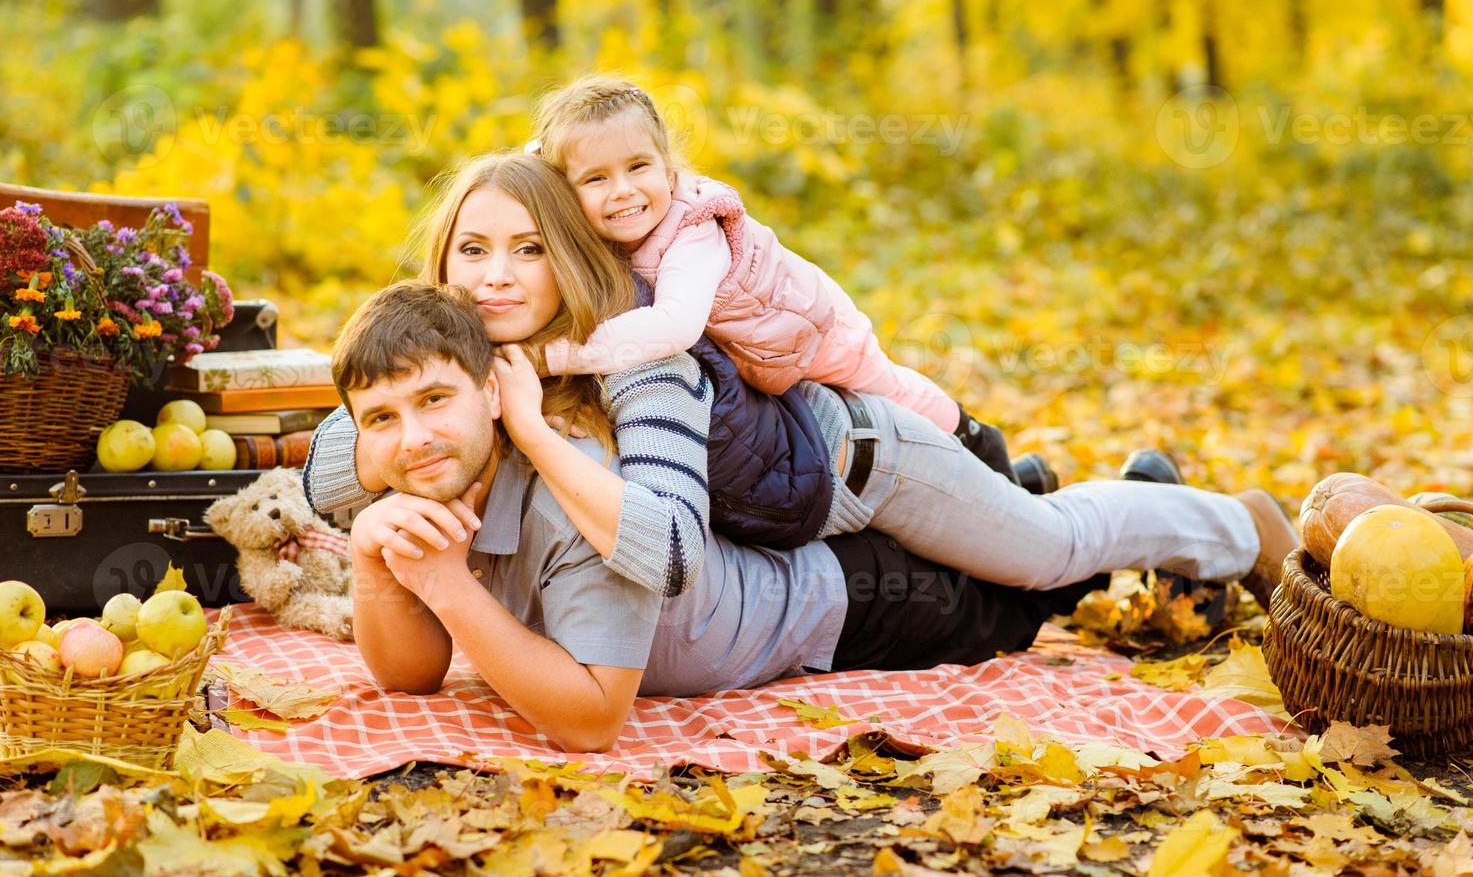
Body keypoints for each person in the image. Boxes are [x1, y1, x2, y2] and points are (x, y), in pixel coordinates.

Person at [336, 281, 1298, 752]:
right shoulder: (419, 494)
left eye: (433, 401)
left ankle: (1230, 525)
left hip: (854, 602)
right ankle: (1083, 490)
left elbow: (591, 722)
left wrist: (452, 592)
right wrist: (382, 568)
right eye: (380, 419)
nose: (410, 437)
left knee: (1032, 583)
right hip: (815, 548)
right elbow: (411, 674)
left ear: (497, 397)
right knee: (1026, 548)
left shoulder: (569, 503)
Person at [305, 153, 1294, 605]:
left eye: (526, 249)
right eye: (470, 249)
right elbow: (332, 470)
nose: (492, 276)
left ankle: (1241, 524)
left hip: (863, 463)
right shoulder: (457, 357)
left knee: (1043, 550)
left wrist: (521, 420)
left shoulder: (635, 347)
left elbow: (666, 552)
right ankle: (1035, 479)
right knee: (1001, 554)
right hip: (785, 517)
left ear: (568, 257)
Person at [529, 74, 1001, 456]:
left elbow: (674, 325)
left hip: (807, 327)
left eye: (638, 167)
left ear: (669, 168)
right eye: (595, 178)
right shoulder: (602, 231)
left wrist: (556, 356)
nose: (623, 190)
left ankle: (972, 436)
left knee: (887, 395)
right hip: (758, 346)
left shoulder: (691, 230)